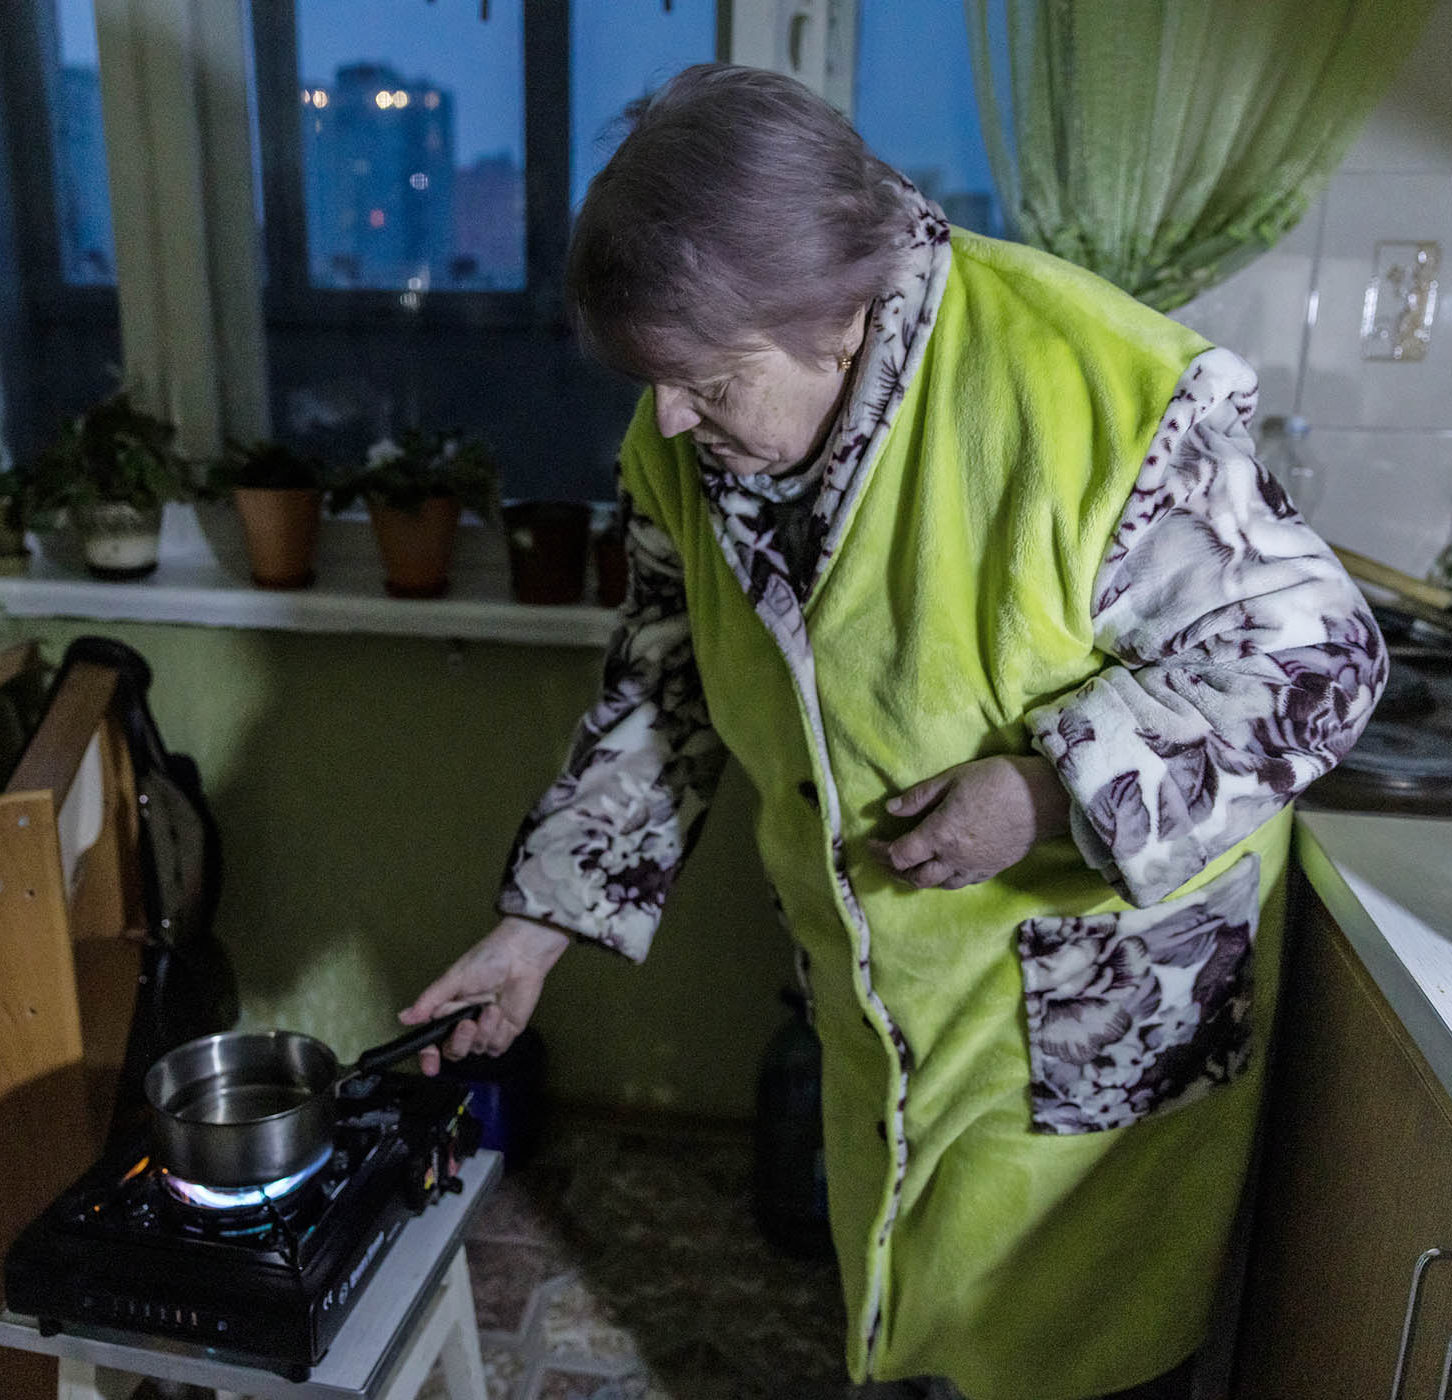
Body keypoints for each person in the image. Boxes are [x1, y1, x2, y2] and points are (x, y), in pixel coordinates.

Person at [401, 63, 1384, 1400]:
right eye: (659, 382)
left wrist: (1045, 792)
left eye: (706, 381)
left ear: (837, 315)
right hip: (893, 1008)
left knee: (1068, 1359)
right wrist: (537, 932)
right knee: (912, 1332)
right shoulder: (686, 432)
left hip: (1092, 1007)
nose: (670, 418)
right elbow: (664, 687)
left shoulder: (1099, 392)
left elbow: (1319, 658)